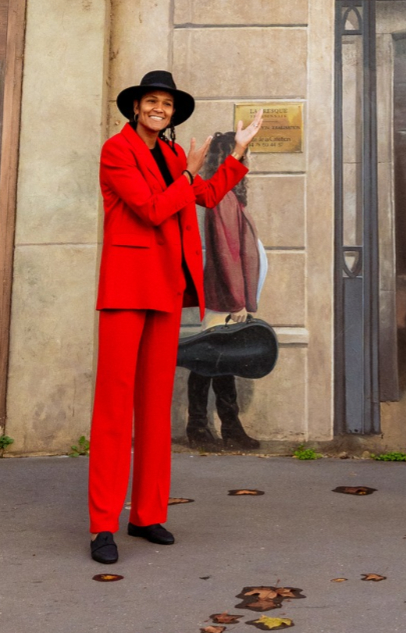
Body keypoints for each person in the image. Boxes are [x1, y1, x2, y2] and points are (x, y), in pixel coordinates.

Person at [90, 70, 263, 564]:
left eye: (166, 103)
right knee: (114, 409)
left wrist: (237, 153)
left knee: (154, 406)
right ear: (136, 107)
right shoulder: (116, 151)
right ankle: (103, 525)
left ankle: (146, 514)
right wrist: (188, 174)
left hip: (166, 288)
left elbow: (204, 195)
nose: (159, 108)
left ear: (171, 113)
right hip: (126, 289)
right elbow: (150, 209)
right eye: (151, 100)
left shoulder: (170, 156)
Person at [185, 131, 266, 451]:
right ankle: (202, 427)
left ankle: (226, 427)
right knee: (208, 360)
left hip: (225, 295)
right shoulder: (223, 199)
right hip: (223, 296)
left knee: (218, 359)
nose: (249, 159)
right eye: (245, 153)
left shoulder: (228, 196)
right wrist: (236, 301)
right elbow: (226, 253)